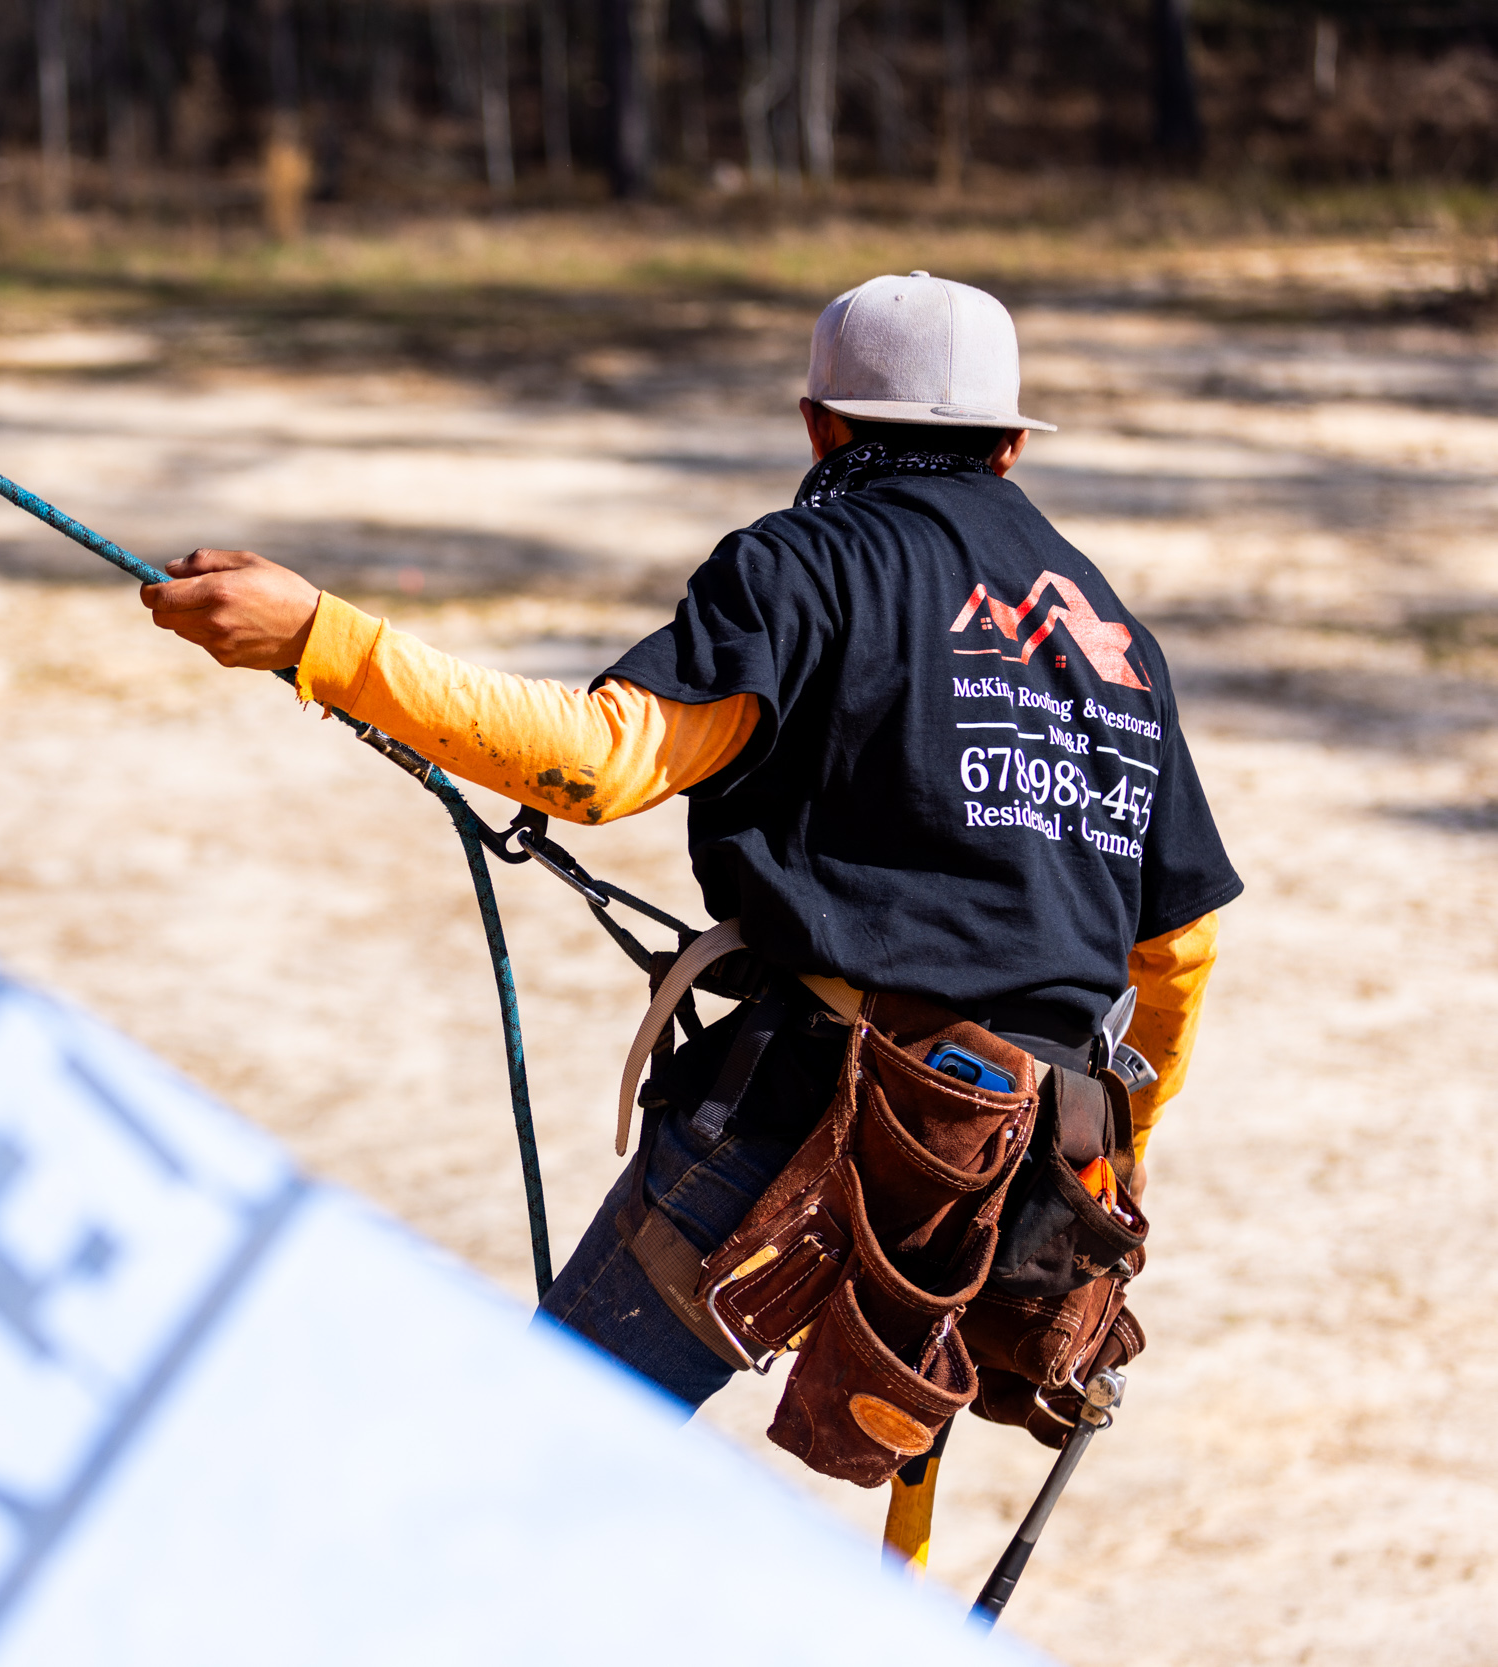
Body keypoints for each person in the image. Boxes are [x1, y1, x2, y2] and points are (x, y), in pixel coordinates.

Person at [139, 272, 1239, 1413]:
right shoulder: (1114, 636)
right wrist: (1123, 1149)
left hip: (823, 1116)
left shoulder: (804, 564)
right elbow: (1180, 945)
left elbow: (600, 764)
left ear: (819, 425)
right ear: (1009, 445)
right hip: (1033, 1169)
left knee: (543, 1448)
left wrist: (324, 639)